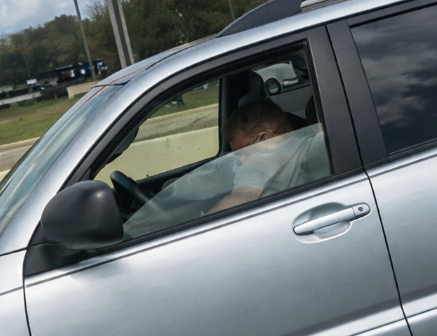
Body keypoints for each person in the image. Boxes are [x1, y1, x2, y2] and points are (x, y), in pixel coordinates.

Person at [123, 98, 329, 237]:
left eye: (241, 152)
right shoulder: (303, 142)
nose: (239, 160)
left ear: (264, 140)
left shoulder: (261, 157)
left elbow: (244, 196)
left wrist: (194, 234)